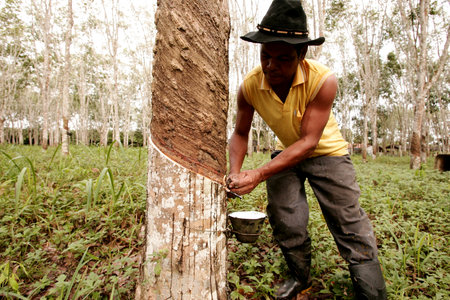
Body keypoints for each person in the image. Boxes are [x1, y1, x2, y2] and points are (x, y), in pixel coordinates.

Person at [226, 0, 387, 299]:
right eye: (266, 56)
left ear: (302, 54)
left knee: (348, 223)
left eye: (283, 58)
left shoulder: (322, 81)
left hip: (327, 153)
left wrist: (258, 174)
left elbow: (309, 142)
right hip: (285, 153)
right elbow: (239, 133)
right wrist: (236, 174)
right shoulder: (249, 86)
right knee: (286, 217)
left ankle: (372, 292)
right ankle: (300, 277)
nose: (271, 66)